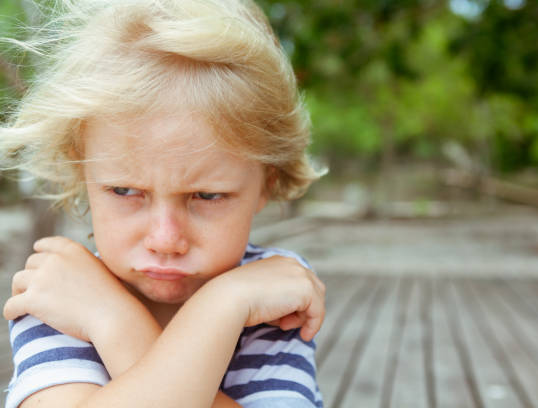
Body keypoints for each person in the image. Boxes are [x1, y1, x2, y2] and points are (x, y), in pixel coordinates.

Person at [0, 0, 327, 407]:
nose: (165, 239)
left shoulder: (271, 294)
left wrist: (116, 322)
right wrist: (217, 310)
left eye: (207, 196)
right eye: (124, 191)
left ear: (267, 182)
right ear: (83, 173)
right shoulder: (60, 292)